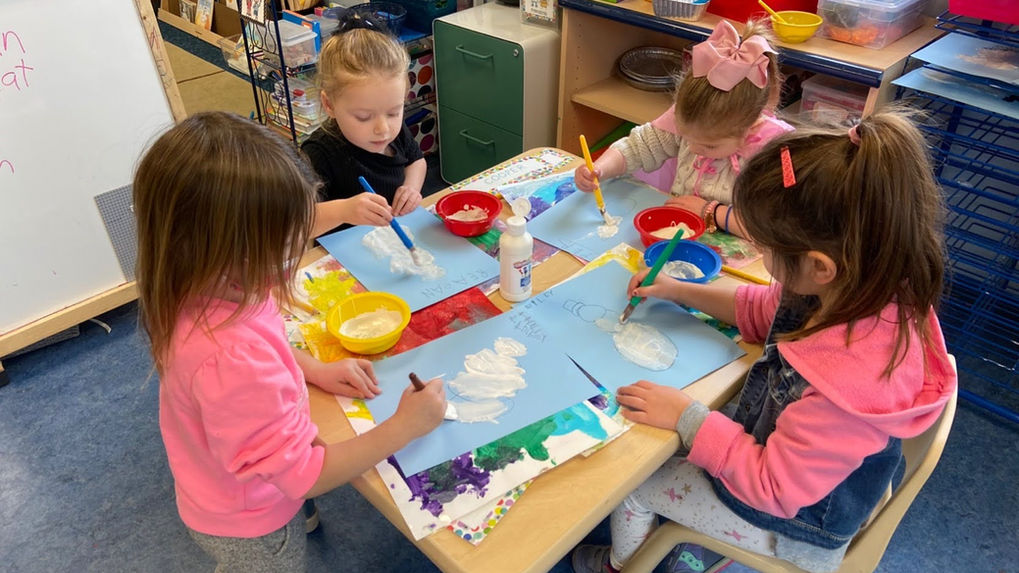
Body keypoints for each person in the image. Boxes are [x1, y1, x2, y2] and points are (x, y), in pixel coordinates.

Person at [572, 111, 958, 573]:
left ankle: (625, 566)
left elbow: (773, 488)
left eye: (766, 247)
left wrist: (688, 416)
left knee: (632, 481)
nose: (759, 251)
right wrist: (679, 291)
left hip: (794, 522)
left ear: (819, 266)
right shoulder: (859, 282)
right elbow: (762, 309)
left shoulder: (847, 385)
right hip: (796, 468)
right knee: (682, 427)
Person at [134, 112, 445, 572]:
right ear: (230, 248)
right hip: (250, 520)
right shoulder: (229, 356)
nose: (296, 249)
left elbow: (264, 338)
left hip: (231, 472)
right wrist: (405, 427)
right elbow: (307, 476)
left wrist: (313, 369)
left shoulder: (203, 282)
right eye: (286, 241)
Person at [574, 20, 794, 239]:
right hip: (681, 234)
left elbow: (779, 225)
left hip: (741, 253)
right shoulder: (693, 117)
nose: (693, 148)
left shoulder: (776, 150)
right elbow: (637, 147)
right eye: (686, 137)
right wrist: (600, 169)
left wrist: (711, 212)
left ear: (750, 126)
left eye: (710, 145)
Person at [302, 13, 426, 236]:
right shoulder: (319, 152)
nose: (383, 129)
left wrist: (411, 187)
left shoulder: (393, 133)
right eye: (363, 117)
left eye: (394, 112)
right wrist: (344, 211)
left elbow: (416, 160)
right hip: (342, 260)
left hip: (394, 241)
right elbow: (301, 223)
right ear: (329, 104)